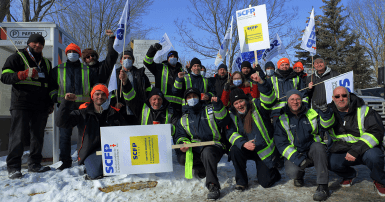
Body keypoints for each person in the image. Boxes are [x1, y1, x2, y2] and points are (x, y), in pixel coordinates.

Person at [1, 34, 54, 179]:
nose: (37, 45)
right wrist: (22, 74)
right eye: (34, 43)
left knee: (37, 137)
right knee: (17, 136)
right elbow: (4, 77)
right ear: (29, 43)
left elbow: (50, 85)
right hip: (21, 103)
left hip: (41, 106)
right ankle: (13, 167)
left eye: (40, 44)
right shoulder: (17, 57)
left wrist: (50, 103)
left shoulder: (46, 63)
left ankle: (35, 164)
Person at [55, 84, 127, 180]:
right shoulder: (83, 113)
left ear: (107, 97)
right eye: (97, 94)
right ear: (92, 96)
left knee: (122, 169)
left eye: (103, 94)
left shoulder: (114, 113)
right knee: (95, 173)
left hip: (111, 150)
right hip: (90, 151)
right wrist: (66, 103)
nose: (100, 97)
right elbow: (61, 123)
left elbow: (125, 132)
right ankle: (91, 166)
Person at [274, 89, 335, 201]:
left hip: (313, 150)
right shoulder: (282, 119)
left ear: (301, 100)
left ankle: (323, 186)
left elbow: (326, 127)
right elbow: (281, 144)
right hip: (295, 152)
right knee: (292, 171)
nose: (295, 102)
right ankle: (299, 175)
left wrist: (326, 112)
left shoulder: (312, 113)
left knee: (319, 147)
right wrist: (298, 158)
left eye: (297, 98)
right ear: (287, 101)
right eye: (292, 99)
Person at [226, 72, 281, 191]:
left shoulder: (257, 106)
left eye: (241, 101)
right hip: (248, 148)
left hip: (263, 150)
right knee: (235, 149)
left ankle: (274, 170)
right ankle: (241, 182)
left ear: (246, 100)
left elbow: (269, 99)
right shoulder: (233, 115)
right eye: (236, 103)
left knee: (266, 183)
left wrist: (261, 83)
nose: (239, 105)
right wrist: (243, 143)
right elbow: (230, 133)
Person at [327, 86, 385, 196]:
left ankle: (380, 180)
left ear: (349, 96)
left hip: (365, 148)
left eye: (344, 95)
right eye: (337, 96)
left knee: (375, 157)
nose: (341, 98)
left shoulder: (364, 110)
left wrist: (355, 150)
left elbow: (376, 132)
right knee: (329, 161)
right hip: (343, 148)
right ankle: (349, 175)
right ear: (333, 98)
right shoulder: (329, 112)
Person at [50, 43, 99, 171]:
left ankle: (86, 158)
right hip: (65, 107)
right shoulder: (57, 69)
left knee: (86, 135)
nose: (72, 53)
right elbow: (51, 89)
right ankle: (65, 161)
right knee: (65, 135)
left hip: (84, 108)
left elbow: (95, 88)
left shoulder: (88, 70)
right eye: (70, 51)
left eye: (75, 51)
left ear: (79, 54)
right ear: (66, 54)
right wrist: (56, 99)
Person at [174, 87, 229, 200]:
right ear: (186, 100)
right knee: (182, 158)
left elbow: (224, 121)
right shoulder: (184, 118)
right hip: (196, 148)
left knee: (207, 152)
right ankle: (202, 168)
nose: (192, 99)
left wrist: (218, 105)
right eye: (189, 97)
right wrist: (183, 143)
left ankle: (213, 186)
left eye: (194, 96)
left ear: (199, 97)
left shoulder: (210, 109)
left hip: (214, 145)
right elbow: (179, 135)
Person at [120, 68, 180, 138]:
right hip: (145, 144)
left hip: (163, 144)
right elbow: (130, 98)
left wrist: (162, 129)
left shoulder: (171, 111)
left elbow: (176, 129)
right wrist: (125, 82)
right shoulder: (141, 108)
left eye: (159, 99)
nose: (157, 102)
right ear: (149, 100)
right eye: (154, 99)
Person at [110, 50, 152, 125]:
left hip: (137, 110)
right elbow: (110, 92)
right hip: (121, 110)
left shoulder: (141, 74)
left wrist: (146, 102)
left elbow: (148, 89)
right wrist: (114, 103)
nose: (127, 60)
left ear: (133, 61)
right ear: (120, 61)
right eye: (125, 58)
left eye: (129, 58)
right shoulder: (114, 74)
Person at [143, 43, 184, 111]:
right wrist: (153, 49)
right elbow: (147, 62)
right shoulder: (160, 68)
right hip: (161, 104)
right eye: (171, 56)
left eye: (175, 57)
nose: (173, 58)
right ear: (168, 59)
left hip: (177, 106)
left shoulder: (182, 71)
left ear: (177, 59)